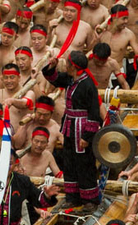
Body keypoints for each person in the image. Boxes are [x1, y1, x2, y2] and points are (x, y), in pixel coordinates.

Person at [42, 50, 101, 211]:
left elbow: (94, 113)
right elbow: (53, 78)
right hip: (69, 126)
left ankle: (90, 200)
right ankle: (72, 197)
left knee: (84, 163)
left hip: (81, 128)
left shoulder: (88, 85)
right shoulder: (69, 79)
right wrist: (52, 66)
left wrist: (87, 136)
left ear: (73, 67)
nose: (65, 65)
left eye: (67, 63)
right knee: (69, 162)